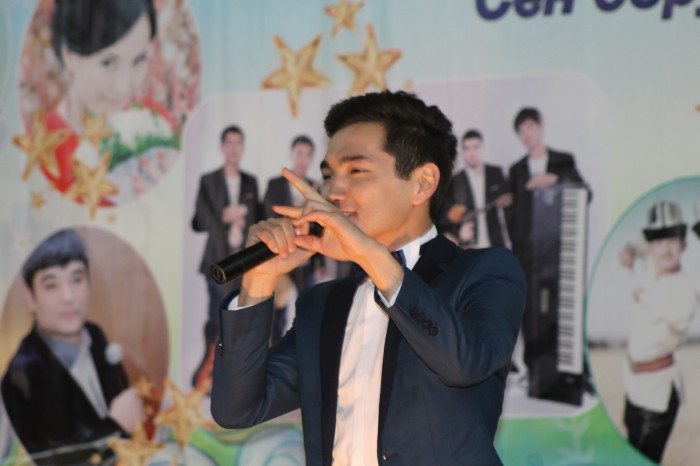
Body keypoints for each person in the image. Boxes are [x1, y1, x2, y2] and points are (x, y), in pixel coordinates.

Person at [210, 91, 526, 465]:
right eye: (328, 175)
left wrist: (368, 254)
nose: (332, 192)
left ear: (422, 183)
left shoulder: (483, 271)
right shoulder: (321, 304)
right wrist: (259, 282)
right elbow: (237, 408)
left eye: (356, 171)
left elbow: (465, 362)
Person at [1, 229, 144, 465]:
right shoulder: (23, 377)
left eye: (77, 279)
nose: (68, 297)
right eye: (51, 285)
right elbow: (54, 459)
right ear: (30, 298)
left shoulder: (95, 335)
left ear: (89, 283)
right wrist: (116, 426)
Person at [25, 0, 180, 204]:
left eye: (139, 60)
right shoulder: (43, 153)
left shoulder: (156, 121)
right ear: (69, 56)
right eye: (108, 63)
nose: (123, 87)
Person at [506, 107, 589, 388]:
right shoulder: (516, 170)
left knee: (561, 309)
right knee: (530, 314)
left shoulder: (563, 161)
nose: (526, 134)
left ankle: (569, 372)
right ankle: (535, 374)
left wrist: (555, 181)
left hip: (560, 252)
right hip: (527, 256)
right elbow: (512, 217)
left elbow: (584, 192)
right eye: (521, 131)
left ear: (540, 126)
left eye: (530, 127)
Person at [619, 201, 697, 463]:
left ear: (684, 244)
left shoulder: (685, 288)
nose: (666, 248)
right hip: (635, 385)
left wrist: (644, 297)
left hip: (659, 393)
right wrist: (630, 251)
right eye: (659, 241)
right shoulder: (654, 266)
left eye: (673, 239)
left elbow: (680, 319)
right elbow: (638, 244)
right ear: (651, 247)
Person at [190, 125, 260, 387]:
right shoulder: (208, 180)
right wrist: (225, 216)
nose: (233, 148)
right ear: (222, 147)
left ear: (243, 147)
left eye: (238, 143)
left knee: (241, 317)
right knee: (216, 315)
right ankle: (210, 368)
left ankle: (235, 373)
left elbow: (258, 218)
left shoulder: (250, 181)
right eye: (229, 142)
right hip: (217, 262)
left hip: (243, 263)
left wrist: (245, 221)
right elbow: (199, 220)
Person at [262, 135, 324, 342]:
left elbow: (321, 226)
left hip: (306, 257)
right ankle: (275, 347)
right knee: (278, 306)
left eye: (307, 155)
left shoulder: (315, 187)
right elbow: (267, 217)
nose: (303, 159)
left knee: (308, 306)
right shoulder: (275, 184)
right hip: (281, 254)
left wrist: (320, 262)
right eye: (299, 153)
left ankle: (305, 346)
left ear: (312, 158)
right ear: (292, 154)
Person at [439, 129, 511, 248]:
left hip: (496, 242)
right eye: (467, 148)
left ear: (482, 148)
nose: (471, 152)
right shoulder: (455, 181)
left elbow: (509, 204)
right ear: (462, 151)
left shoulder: (495, 173)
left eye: (475, 147)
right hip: (469, 245)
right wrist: (459, 233)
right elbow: (445, 219)